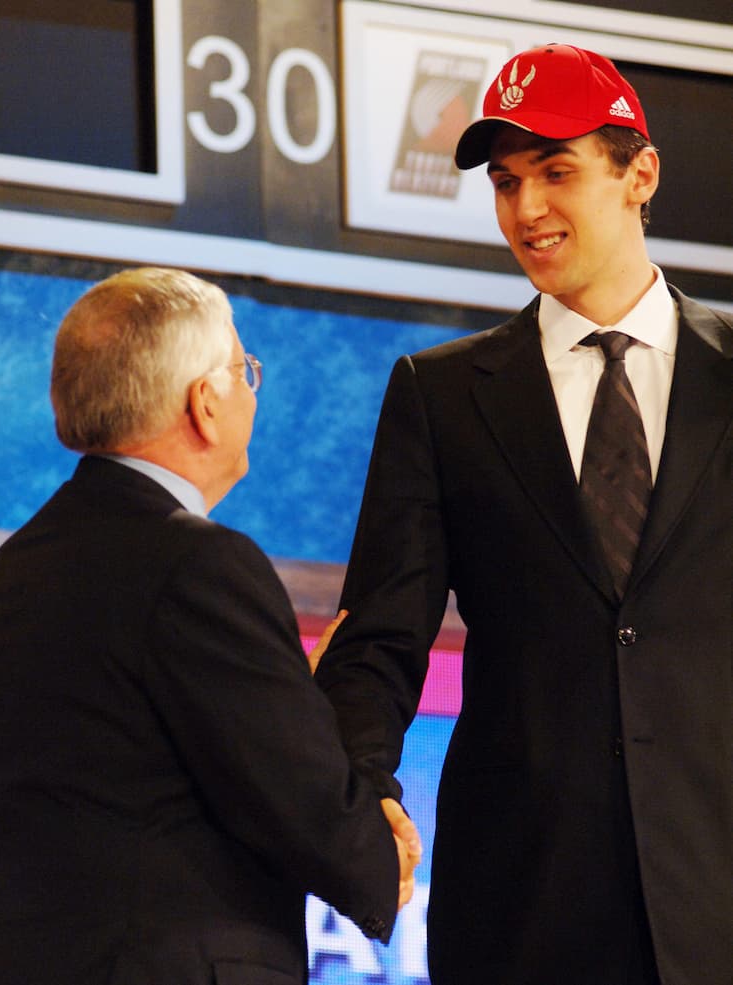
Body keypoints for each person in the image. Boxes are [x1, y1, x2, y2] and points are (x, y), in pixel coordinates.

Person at [315, 44, 732, 985]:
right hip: (521, 904)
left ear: (641, 174)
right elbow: (382, 632)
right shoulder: (441, 393)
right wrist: (364, 782)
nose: (527, 210)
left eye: (556, 172)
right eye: (506, 183)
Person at [0, 267, 421, 985]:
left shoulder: (11, 572)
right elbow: (316, 819)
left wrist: (282, 697)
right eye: (245, 371)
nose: (250, 390)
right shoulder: (200, 566)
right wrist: (375, 838)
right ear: (204, 402)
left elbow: (136, 759)